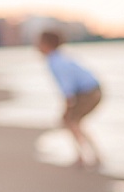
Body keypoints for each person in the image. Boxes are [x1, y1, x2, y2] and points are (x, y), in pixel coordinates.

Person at [36, 30, 103, 169]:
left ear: (47, 44)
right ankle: (93, 155)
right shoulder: (58, 58)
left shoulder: (56, 62)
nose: (36, 46)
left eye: (39, 43)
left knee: (71, 121)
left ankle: (84, 156)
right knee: (75, 122)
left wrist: (66, 110)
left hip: (89, 92)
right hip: (91, 90)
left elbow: (68, 91)